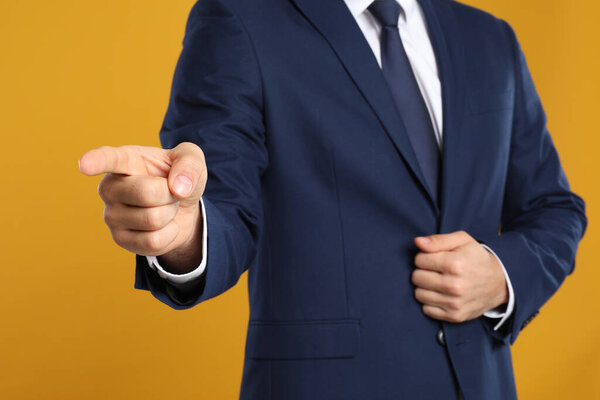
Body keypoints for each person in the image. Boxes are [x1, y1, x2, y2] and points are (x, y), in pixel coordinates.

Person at [79, 0, 587, 398]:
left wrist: (502, 273)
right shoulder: (238, 18)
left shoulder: (490, 38)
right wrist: (182, 232)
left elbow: (555, 208)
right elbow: (223, 204)